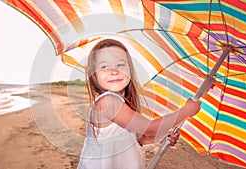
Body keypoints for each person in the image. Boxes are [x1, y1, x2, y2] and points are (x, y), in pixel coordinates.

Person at [77, 39, 201, 169]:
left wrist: (160, 137)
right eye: (104, 66)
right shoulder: (107, 102)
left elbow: (136, 139)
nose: (114, 70)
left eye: (120, 64)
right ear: (94, 75)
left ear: (129, 69)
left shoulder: (121, 104)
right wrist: (186, 110)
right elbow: (150, 128)